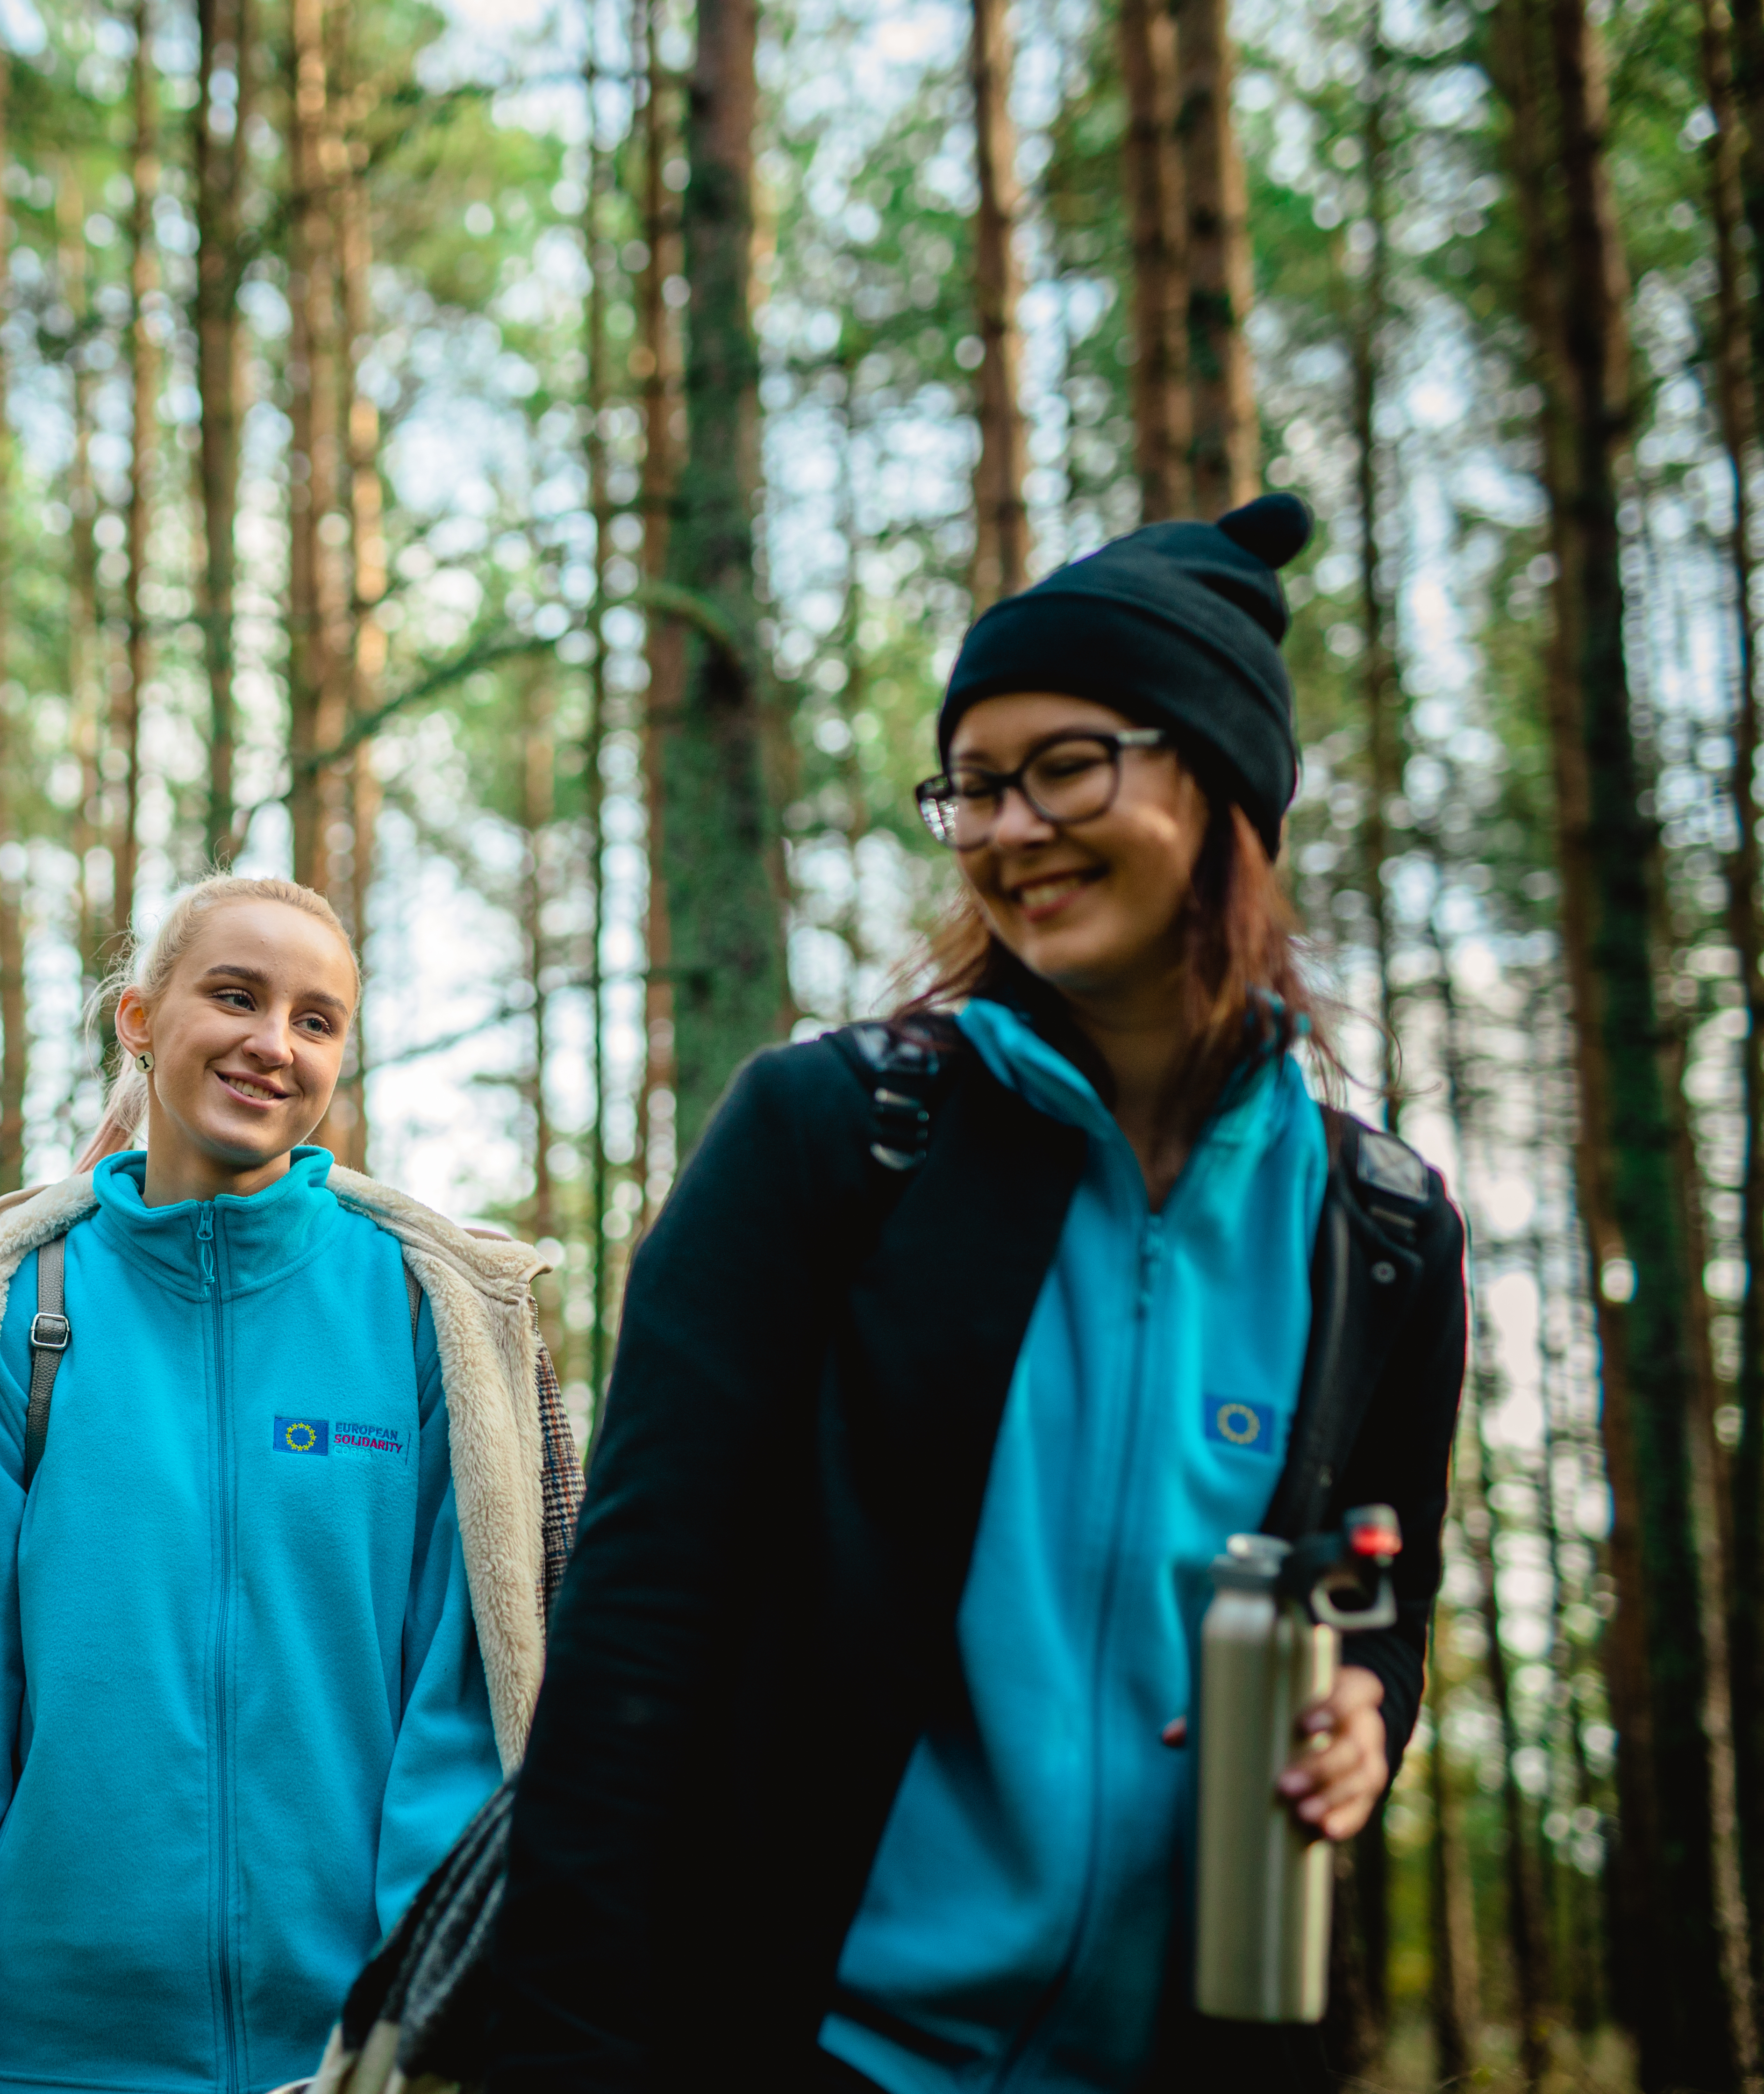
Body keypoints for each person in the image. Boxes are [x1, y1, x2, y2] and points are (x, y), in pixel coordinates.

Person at [486, 494, 1468, 2094]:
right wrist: (572, 2051)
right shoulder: (838, 1138)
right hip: (816, 2049)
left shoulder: (1381, 1234)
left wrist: (1361, 1703)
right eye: (975, 786)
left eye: (1068, 766)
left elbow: (1390, 1599)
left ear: (1222, 780)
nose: (1011, 829)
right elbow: (639, 1630)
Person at [0, 875, 586, 2094]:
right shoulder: (13, 1312)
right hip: (49, 2060)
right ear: (140, 1019)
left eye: (315, 1019)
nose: (270, 1044)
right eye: (235, 997)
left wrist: (408, 2041)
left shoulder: (427, 1313)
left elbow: (464, 1709)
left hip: (346, 2063)